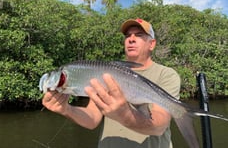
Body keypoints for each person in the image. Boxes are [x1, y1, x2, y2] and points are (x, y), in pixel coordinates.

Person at [42, 18, 181, 148]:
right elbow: (92, 119)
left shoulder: (166, 75)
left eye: (139, 35)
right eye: (127, 36)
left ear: (152, 44)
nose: (131, 39)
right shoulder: (106, 73)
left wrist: (124, 114)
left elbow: (159, 126)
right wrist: (67, 109)